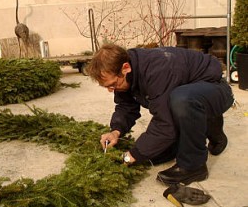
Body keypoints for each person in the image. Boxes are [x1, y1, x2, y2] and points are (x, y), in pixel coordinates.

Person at [88, 44, 234, 185]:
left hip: (215, 89)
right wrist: (115, 131)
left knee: (181, 100)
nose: (110, 90)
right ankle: (190, 139)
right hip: (194, 93)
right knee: (154, 149)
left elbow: (165, 124)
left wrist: (130, 156)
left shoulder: (157, 70)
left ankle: (194, 165)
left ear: (125, 68)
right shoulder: (129, 69)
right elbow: (126, 106)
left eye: (113, 85)